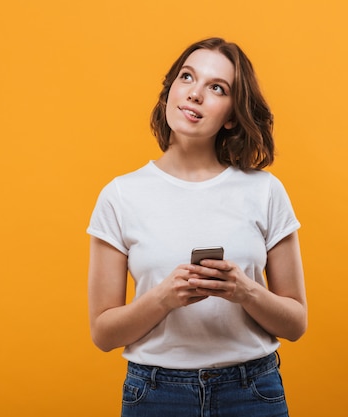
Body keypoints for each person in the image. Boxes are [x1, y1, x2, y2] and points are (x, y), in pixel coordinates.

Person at [87, 37, 307, 417]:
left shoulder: (265, 191)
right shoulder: (120, 195)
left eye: (216, 88)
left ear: (232, 115)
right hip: (156, 394)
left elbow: (296, 323)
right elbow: (103, 333)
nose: (195, 94)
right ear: (170, 89)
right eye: (187, 77)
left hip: (252, 391)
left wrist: (245, 291)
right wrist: (164, 297)